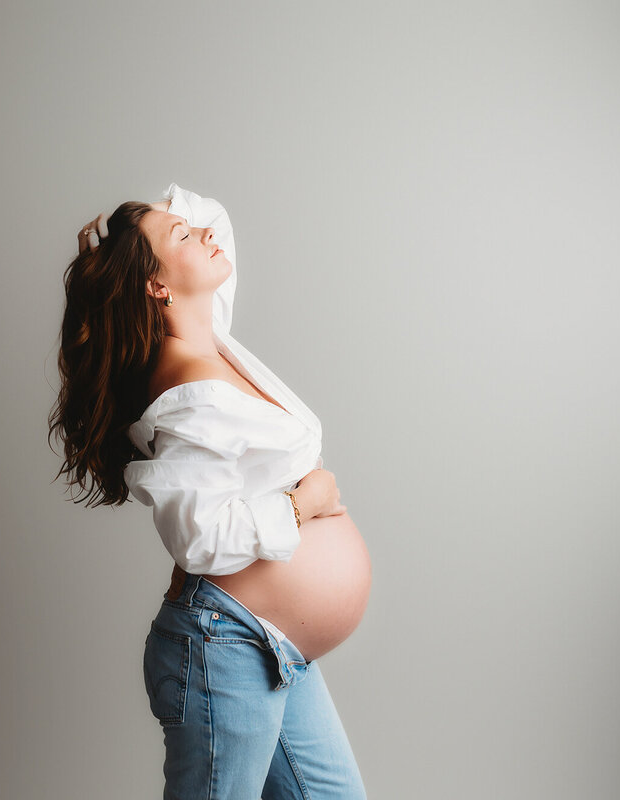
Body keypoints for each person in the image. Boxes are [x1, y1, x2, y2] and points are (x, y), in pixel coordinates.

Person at [50, 183, 371, 799]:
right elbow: (199, 539)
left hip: (271, 646)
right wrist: (307, 505)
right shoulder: (183, 394)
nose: (204, 233)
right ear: (156, 286)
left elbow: (208, 220)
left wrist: (151, 227)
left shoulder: (207, 336)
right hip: (224, 649)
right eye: (181, 237)